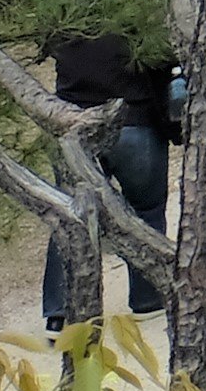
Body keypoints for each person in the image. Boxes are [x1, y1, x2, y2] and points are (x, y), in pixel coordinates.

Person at [38, 30, 173, 332]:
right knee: (146, 208)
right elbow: (165, 64)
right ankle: (147, 297)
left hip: (73, 125)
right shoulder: (138, 12)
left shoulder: (65, 17)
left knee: (70, 214)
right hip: (134, 121)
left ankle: (61, 311)